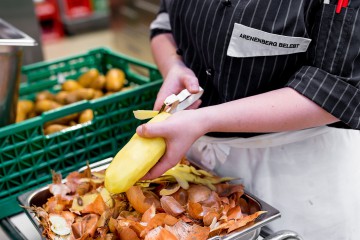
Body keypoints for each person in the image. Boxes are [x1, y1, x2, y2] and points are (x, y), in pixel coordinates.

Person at [136, 0, 360, 239]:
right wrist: (174, 65)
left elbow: (338, 89)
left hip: (293, 175)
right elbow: (164, 23)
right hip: (198, 165)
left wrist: (204, 119)